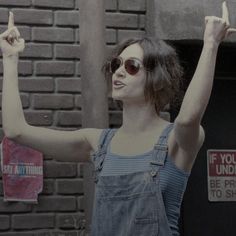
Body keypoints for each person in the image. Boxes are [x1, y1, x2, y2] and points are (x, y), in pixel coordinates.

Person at [1, 2, 235, 236]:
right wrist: (10, 59)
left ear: (157, 78)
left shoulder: (176, 141)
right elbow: (16, 130)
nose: (119, 72)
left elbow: (187, 119)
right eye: (116, 64)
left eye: (132, 66)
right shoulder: (98, 143)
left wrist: (211, 44)